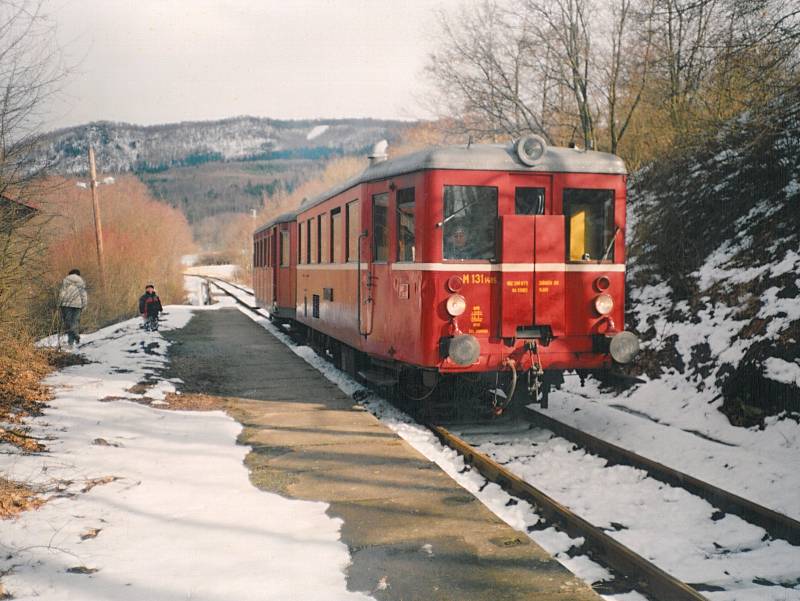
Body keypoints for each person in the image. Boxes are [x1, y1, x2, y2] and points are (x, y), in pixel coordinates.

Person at [58, 268, 88, 345]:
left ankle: (72, 340)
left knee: (68, 323)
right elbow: (83, 294)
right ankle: (74, 338)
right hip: (78, 305)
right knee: (75, 322)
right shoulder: (81, 282)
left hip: (66, 304)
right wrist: (84, 305)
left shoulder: (65, 281)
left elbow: (61, 293)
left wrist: (59, 304)